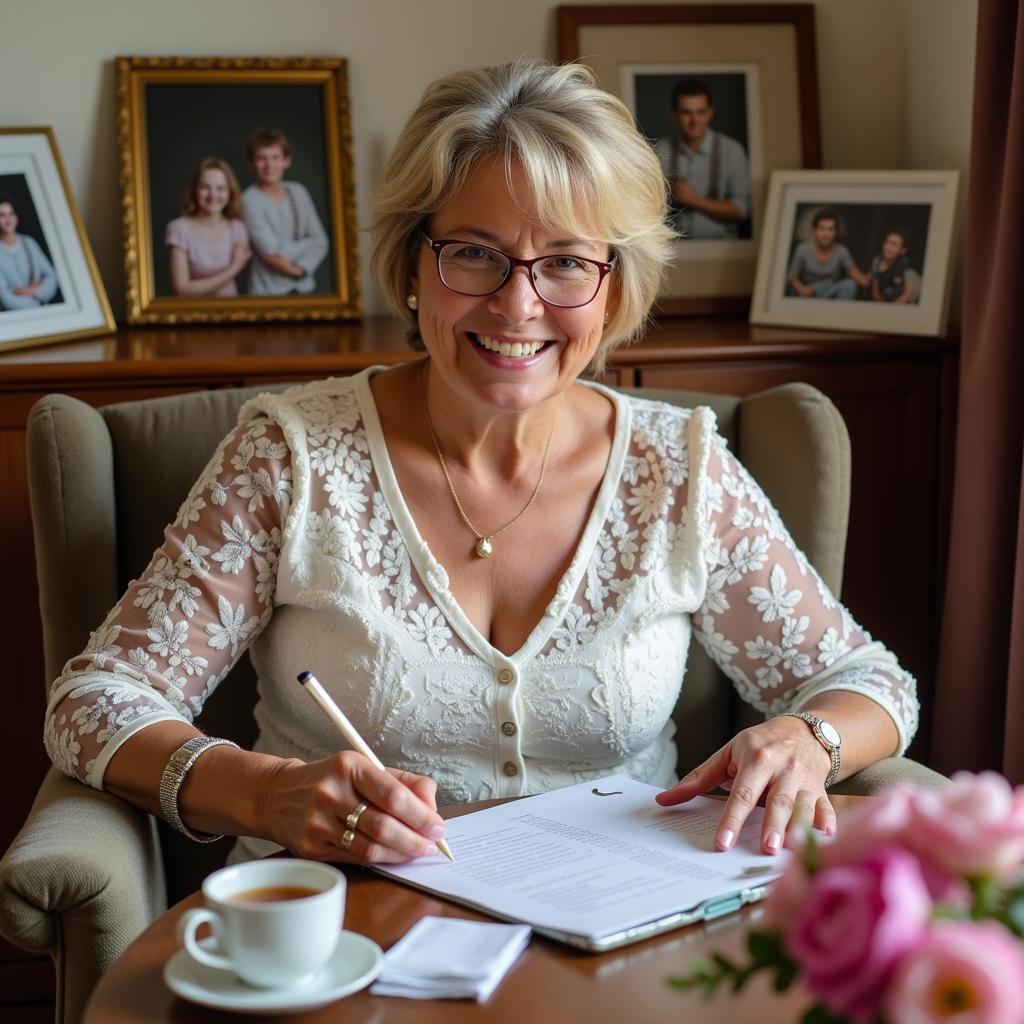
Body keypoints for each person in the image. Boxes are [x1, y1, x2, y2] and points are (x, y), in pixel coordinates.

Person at [43, 59, 918, 869]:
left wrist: (813, 738)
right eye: (474, 253)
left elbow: (868, 682)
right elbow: (95, 701)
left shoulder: (678, 468)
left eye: (567, 263)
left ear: (614, 290)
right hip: (350, 945)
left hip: (618, 941)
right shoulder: (291, 456)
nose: (517, 304)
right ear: (414, 264)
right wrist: (265, 793)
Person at [652, 78, 751, 240]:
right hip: (673, 250)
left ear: (710, 112)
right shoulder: (659, 151)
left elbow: (741, 210)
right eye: (686, 113)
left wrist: (694, 200)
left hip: (722, 249)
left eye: (701, 112)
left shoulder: (732, 151)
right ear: (674, 114)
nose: (694, 121)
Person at [241, 129, 329, 295]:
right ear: (252, 163)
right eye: (261, 158)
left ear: (286, 160)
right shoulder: (247, 200)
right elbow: (272, 252)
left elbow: (321, 241)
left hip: (305, 288)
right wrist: (307, 245)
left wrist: (301, 271)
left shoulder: (298, 192)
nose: (269, 165)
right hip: (267, 292)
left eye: (275, 157)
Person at [165, 158, 251, 297]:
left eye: (220, 188)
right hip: (194, 315)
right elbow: (182, 289)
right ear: (194, 190)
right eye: (205, 187)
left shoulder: (237, 228)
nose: (213, 195)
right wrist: (233, 269)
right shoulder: (178, 229)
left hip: (233, 312)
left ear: (229, 192)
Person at [787, 208, 871, 300]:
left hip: (828, 292)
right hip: (806, 292)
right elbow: (792, 276)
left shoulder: (842, 251)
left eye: (830, 229)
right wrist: (802, 289)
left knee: (849, 285)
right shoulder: (802, 249)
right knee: (792, 290)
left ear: (835, 232)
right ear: (814, 230)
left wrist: (866, 280)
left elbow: (853, 271)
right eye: (821, 229)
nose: (826, 234)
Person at [0, 195, 59, 310]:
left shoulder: (29, 243)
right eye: (1, 215)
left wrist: (22, 291)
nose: (8, 220)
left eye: (11, 214)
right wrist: (36, 299)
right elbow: (4, 296)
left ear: (16, 217)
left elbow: (51, 277)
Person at [869, 228, 917, 304]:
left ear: (903, 250)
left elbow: (909, 293)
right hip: (885, 302)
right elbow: (875, 294)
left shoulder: (905, 265)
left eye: (893, 244)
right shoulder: (877, 261)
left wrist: (892, 309)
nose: (888, 247)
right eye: (887, 242)